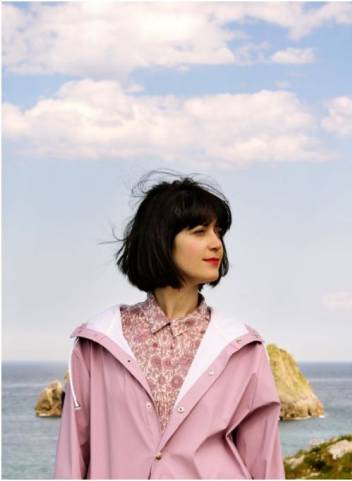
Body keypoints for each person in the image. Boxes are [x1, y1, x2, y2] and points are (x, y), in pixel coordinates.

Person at [54, 173, 285, 479]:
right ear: (161, 239)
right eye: (200, 231)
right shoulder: (98, 342)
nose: (216, 244)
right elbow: (72, 456)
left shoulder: (242, 347)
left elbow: (264, 460)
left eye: (219, 232)